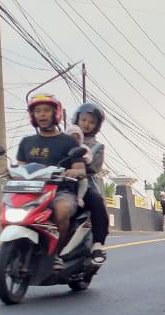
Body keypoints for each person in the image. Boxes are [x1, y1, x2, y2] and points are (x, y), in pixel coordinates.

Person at [17, 93, 85, 271]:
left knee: (61, 211)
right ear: (32, 115)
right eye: (37, 111)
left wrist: (74, 171)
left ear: (55, 114)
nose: (42, 114)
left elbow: (80, 169)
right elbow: (20, 168)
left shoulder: (68, 141)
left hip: (60, 191)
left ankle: (56, 254)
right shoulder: (26, 142)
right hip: (31, 191)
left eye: (46, 110)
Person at [72, 102, 110, 261]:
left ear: (96, 126)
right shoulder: (65, 138)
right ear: (77, 119)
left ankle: (97, 245)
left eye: (91, 122)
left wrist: (78, 170)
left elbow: (94, 167)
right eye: (84, 120)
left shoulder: (97, 146)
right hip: (58, 182)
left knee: (96, 202)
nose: (87, 124)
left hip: (83, 183)